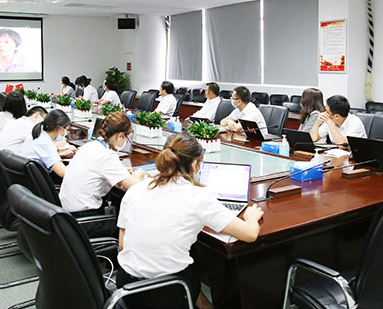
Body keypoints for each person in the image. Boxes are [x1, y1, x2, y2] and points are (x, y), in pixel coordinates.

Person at [116, 133, 264, 309]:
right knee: (195, 256)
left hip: (126, 287)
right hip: (166, 292)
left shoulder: (136, 189)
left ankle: (202, 303)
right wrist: (251, 217)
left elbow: (122, 244)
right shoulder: (198, 196)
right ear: (194, 165)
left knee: (189, 250)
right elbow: (250, 234)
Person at [59, 112, 146, 237]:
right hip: (85, 219)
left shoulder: (89, 146)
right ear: (120, 135)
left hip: (67, 215)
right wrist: (138, 176)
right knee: (128, 227)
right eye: (127, 138)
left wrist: (120, 172)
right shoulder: (107, 155)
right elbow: (136, 188)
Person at [18, 109, 76, 179]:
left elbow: (41, 156)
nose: (66, 133)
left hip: (24, 179)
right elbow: (63, 172)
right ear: (60, 129)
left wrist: (61, 154)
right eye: (66, 129)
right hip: (34, 181)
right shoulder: (45, 143)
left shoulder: (39, 134)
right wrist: (80, 161)